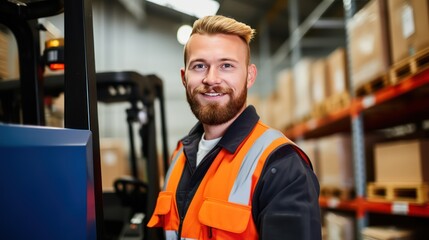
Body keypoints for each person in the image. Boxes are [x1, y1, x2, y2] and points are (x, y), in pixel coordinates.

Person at [148, 15, 321, 240]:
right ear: (184, 77)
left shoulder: (281, 165)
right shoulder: (179, 156)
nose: (211, 79)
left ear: (249, 76)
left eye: (226, 66)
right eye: (199, 66)